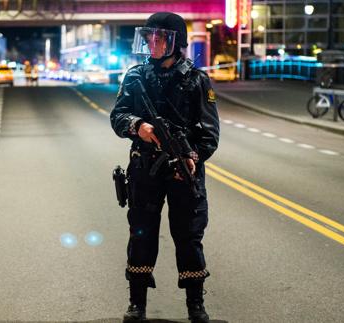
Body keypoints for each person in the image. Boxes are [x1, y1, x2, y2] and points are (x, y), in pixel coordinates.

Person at [110, 12, 220, 323]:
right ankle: (137, 304)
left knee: (188, 236)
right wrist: (137, 127)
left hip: (184, 171)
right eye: (149, 37)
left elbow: (210, 133)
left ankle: (195, 304)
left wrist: (192, 157)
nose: (152, 42)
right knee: (141, 234)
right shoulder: (135, 77)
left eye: (159, 37)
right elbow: (118, 117)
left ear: (175, 42)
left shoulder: (197, 81)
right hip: (144, 170)